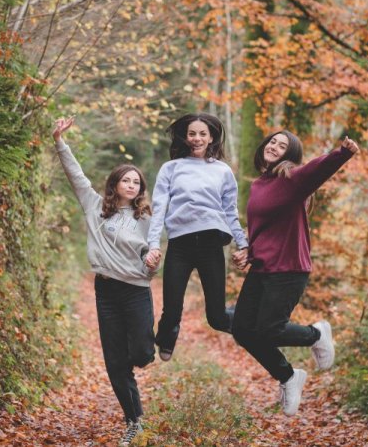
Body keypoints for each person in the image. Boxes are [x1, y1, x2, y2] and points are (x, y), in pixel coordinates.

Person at [231, 130, 359, 416]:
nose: (274, 147)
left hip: (288, 270)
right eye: (272, 141)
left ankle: (316, 333)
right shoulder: (260, 185)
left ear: (290, 155)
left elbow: (316, 170)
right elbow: (266, 229)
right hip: (262, 268)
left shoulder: (291, 179)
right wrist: (247, 251)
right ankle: (289, 376)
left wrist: (342, 153)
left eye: (282, 146)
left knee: (268, 330)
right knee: (241, 329)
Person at [52, 117, 159, 446]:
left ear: (141, 189)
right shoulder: (95, 207)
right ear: (115, 184)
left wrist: (153, 261)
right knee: (114, 361)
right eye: (126, 180)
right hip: (107, 290)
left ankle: (132, 365)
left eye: (136, 182)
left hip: (137, 291)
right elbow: (76, 175)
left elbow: (151, 258)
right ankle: (134, 422)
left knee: (142, 354)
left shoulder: (146, 218)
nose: (132, 185)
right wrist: (59, 141)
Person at [144, 113, 249, 361]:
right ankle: (166, 336)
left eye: (203, 133)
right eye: (192, 133)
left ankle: (256, 324)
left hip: (212, 244)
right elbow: (159, 209)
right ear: (185, 136)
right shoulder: (171, 168)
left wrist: (243, 244)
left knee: (218, 317)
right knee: (171, 310)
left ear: (211, 137)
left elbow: (230, 212)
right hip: (180, 245)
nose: (197, 138)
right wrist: (153, 245)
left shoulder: (222, 171)